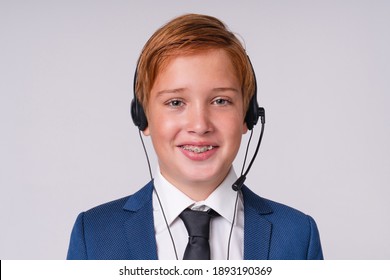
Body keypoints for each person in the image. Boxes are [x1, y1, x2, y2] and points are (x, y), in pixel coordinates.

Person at [67, 14, 323, 260]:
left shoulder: (297, 235)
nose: (200, 125)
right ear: (142, 118)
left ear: (248, 115)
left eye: (221, 101)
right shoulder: (94, 235)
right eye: (176, 102)